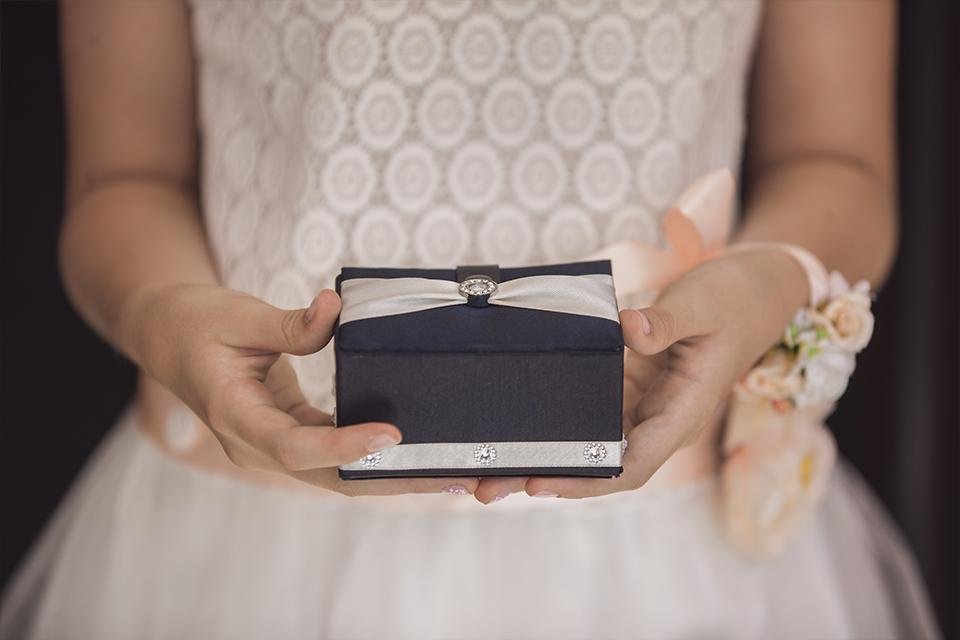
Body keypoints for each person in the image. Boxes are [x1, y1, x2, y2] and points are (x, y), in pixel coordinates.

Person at [0, 0, 940, 638]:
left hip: (663, 558)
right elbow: (123, 180)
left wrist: (766, 281)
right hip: (236, 543)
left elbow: (836, 161)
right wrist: (165, 314)